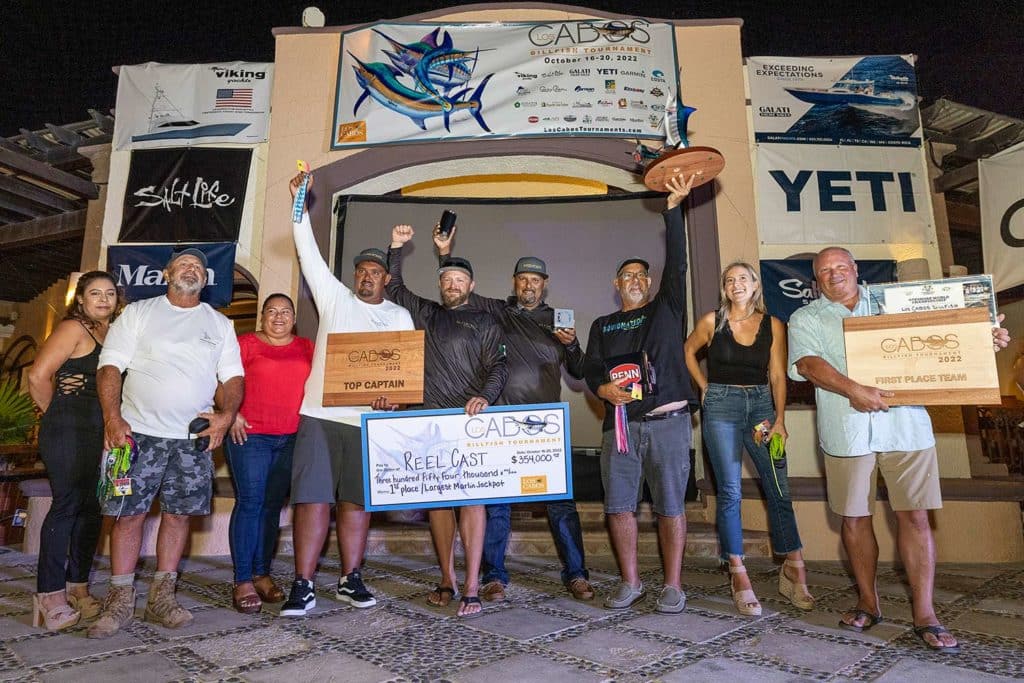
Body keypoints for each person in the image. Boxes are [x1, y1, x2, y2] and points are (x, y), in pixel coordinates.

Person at [788, 246, 1011, 654]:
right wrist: (855, 390)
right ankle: (868, 603)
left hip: (906, 427)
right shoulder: (806, 318)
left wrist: (982, 342)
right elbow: (807, 365)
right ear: (815, 278)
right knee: (854, 519)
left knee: (916, 517)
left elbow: (943, 339)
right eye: (824, 271)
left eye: (840, 267)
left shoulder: (895, 302)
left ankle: (925, 614)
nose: (833, 274)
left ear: (855, 269)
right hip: (847, 431)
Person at [89, 248, 244, 639]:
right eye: (183, 264)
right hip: (136, 435)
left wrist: (226, 416)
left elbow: (232, 379)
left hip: (192, 441)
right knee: (127, 515)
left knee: (178, 516)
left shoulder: (219, 325)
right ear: (166, 273)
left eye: (199, 267)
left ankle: (163, 597)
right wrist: (112, 417)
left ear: (206, 280)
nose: (192, 269)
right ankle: (120, 600)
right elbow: (110, 367)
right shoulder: (139, 313)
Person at [433, 228, 595, 601]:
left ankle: (576, 574)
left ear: (544, 284)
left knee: (560, 503)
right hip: (501, 424)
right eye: (523, 279)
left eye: (535, 280)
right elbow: (457, 287)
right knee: (497, 504)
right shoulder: (498, 313)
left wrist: (572, 345)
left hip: (545, 427)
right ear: (514, 282)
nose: (528, 285)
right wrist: (445, 255)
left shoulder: (559, 320)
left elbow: (580, 371)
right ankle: (494, 577)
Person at [280, 174, 415, 618]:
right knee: (312, 500)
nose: (367, 277)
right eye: (361, 271)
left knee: (356, 504)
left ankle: (349, 578)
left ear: (386, 278)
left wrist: (394, 400)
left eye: (375, 272)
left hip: (367, 424)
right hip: (320, 415)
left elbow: (403, 376)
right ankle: (302, 584)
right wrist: (300, 199)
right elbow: (306, 248)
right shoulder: (334, 298)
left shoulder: (399, 315)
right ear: (353, 276)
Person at [583, 173, 696, 614]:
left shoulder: (667, 307)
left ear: (649, 283)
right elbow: (591, 369)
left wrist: (673, 210)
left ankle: (672, 585)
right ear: (616, 284)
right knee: (618, 507)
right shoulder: (602, 326)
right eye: (626, 275)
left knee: (669, 507)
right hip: (621, 428)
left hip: (667, 424)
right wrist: (601, 387)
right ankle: (630, 583)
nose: (633, 280)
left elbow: (679, 264)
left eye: (640, 275)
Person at [386, 224, 509, 618]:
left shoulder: (487, 323)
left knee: (473, 503)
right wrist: (395, 248)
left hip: (469, 424)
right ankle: (446, 578)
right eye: (447, 279)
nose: (452, 284)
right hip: (429, 424)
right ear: (440, 284)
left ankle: (472, 585)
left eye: (459, 280)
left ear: (471, 285)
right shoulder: (427, 313)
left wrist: (485, 396)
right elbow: (395, 289)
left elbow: (500, 367)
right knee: (439, 504)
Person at [684, 262, 813, 616]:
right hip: (721, 407)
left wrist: (781, 418)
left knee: (778, 486)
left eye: (743, 278)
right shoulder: (712, 322)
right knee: (730, 491)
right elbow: (687, 352)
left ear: (755, 286)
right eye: (729, 280)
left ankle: (793, 564)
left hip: (761, 408)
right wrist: (705, 387)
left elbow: (777, 374)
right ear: (724, 289)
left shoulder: (773, 326)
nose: (736, 284)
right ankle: (738, 572)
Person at [26, 271, 118, 630]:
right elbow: (37, 377)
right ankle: (49, 595)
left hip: (101, 432)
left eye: (110, 293)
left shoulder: (112, 334)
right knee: (67, 505)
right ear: (80, 299)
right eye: (95, 293)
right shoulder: (73, 329)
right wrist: (59, 417)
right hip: (68, 429)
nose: (103, 299)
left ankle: (78, 586)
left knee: (92, 509)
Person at [226, 293, 313, 613]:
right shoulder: (245, 343)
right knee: (250, 502)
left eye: (285, 311)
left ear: (294, 317)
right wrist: (230, 413)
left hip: (291, 438)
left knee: (272, 505)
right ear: (262, 316)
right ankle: (243, 579)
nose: (279, 317)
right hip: (250, 435)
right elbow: (222, 380)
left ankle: (262, 573)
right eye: (272, 311)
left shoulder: (306, 347)